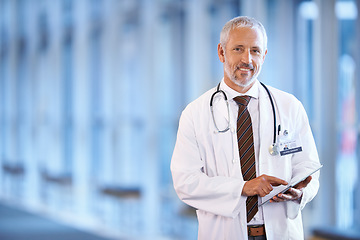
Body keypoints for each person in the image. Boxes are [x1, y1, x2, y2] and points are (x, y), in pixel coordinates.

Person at [170, 16, 321, 240]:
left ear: (265, 55)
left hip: (280, 231)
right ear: (222, 52)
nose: (247, 59)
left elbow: (308, 167)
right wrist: (243, 188)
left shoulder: (289, 106)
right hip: (224, 233)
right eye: (238, 49)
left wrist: (301, 191)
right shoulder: (195, 114)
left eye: (255, 50)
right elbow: (186, 182)